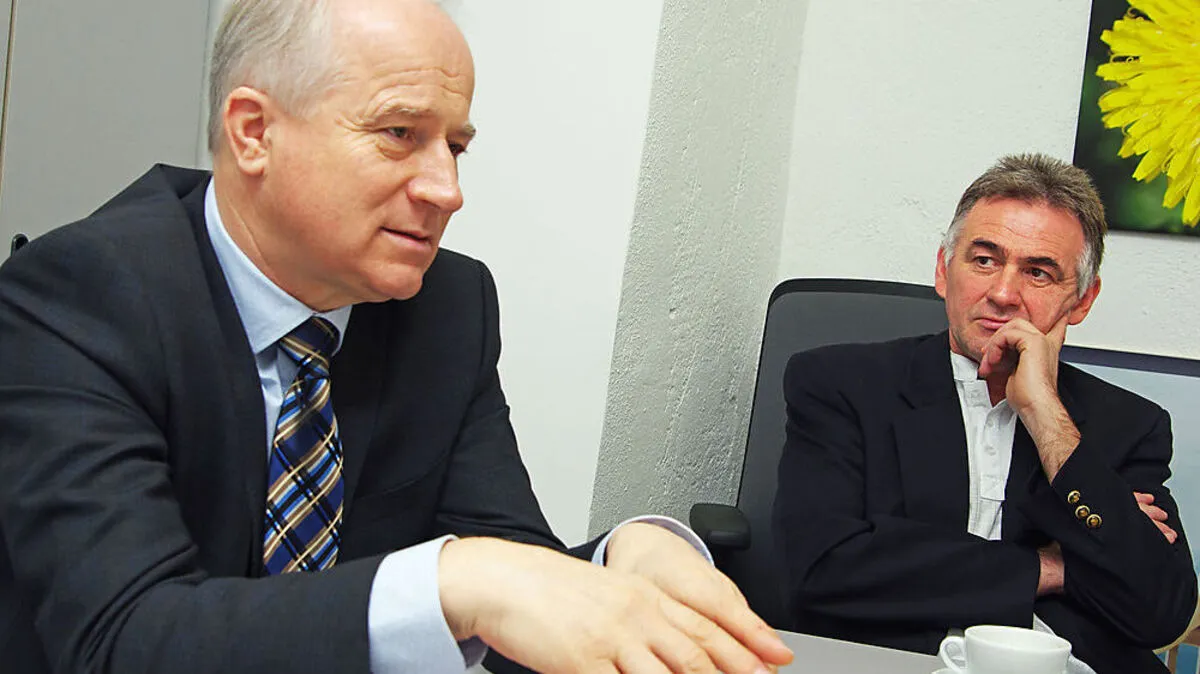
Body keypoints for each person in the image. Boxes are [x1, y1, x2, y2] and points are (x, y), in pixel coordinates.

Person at [0, 1, 795, 673]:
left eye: (456, 146)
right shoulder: (78, 296)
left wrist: (626, 558)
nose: (448, 190)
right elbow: (123, 638)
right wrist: (455, 582)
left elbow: (511, 578)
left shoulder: (448, 304)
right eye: (399, 133)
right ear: (254, 132)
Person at [772, 153, 1197, 674]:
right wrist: (1056, 567)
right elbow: (821, 570)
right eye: (984, 260)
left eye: (1038, 272)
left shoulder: (1129, 424)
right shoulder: (842, 384)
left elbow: (1159, 611)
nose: (1002, 293)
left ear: (1082, 300)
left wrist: (1045, 414)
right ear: (943, 270)